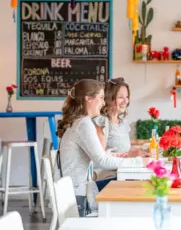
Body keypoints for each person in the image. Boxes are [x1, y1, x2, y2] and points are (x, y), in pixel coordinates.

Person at [57, 79, 148, 216]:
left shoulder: (80, 122)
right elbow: (101, 161)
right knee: (135, 191)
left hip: (76, 192)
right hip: (79, 198)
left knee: (132, 189)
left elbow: (96, 157)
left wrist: (112, 155)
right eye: (100, 98)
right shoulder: (84, 124)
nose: (103, 103)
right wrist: (139, 162)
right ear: (88, 99)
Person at [93, 77, 148, 180]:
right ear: (109, 98)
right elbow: (100, 158)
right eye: (120, 97)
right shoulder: (102, 122)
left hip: (122, 173)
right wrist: (130, 156)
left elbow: (125, 149)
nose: (125, 101)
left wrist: (144, 151)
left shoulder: (123, 123)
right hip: (106, 176)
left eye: (127, 97)